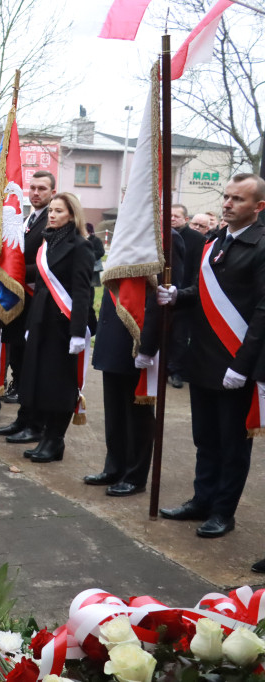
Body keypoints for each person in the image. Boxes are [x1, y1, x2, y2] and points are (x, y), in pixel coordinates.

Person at [157, 174, 265, 543]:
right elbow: (205, 292)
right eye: (226, 197)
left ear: (258, 207)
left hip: (235, 362)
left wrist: (243, 365)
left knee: (232, 444)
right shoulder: (215, 240)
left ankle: (223, 512)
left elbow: (263, 312)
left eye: (237, 199)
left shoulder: (261, 245)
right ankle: (201, 500)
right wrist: (178, 295)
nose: (227, 204)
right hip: (203, 357)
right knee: (205, 438)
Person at [85, 231, 184, 496]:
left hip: (138, 338)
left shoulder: (166, 237)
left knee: (137, 414)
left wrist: (148, 346)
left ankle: (134, 475)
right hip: (113, 335)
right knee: (114, 411)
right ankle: (114, 467)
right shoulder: (128, 228)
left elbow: (162, 297)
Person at [17, 192, 95, 463]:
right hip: (41, 321)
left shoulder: (80, 246)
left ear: (72, 216)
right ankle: (45, 437)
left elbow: (83, 291)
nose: (52, 215)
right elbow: (40, 289)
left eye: (59, 211)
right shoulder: (45, 244)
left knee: (59, 385)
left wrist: (77, 332)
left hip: (63, 325)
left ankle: (55, 440)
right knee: (42, 381)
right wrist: (30, 324)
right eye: (51, 210)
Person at [0, 170, 56, 442]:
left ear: (53, 192)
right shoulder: (27, 218)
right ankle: (23, 418)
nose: (35, 192)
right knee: (19, 362)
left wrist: (15, 273)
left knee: (34, 367)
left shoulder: (52, 222)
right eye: (32, 187)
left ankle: (35, 422)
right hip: (20, 300)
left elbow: (47, 262)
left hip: (37, 300)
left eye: (42, 188)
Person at [168, 204, 206, 389]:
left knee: (179, 336)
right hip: (162, 294)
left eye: (177, 215)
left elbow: (197, 267)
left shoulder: (197, 239)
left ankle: (176, 371)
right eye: (170, 215)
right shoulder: (161, 236)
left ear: (186, 219)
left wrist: (188, 290)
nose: (172, 218)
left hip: (185, 295)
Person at [86, 222, 105, 287]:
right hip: (83, 267)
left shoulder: (96, 240)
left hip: (94, 267)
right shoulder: (80, 239)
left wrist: (90, 255)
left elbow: (101, 252)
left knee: (91, 287)